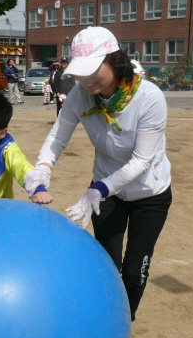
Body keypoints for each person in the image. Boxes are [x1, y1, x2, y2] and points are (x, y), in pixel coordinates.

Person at [25, 26, 172, 322]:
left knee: (134, 269)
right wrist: (42, 168)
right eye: (80, 72)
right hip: (107, 191)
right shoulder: (81, 94)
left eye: (93, 70)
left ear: (115, 61)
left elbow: (141, 160)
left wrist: (99, 190)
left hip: (149, 193)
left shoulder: (149, 98)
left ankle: (123, 322)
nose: (85, 79)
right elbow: (58, 136)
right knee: (105, 263)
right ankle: (105, 318)